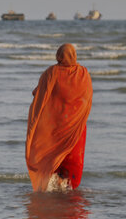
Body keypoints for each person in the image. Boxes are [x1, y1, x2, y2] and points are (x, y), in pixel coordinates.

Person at [25, 43, 92, 191]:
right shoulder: (83, 73)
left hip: (55, 126)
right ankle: (67, 187)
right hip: (76, 126)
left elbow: (38, 94)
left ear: (59, 56)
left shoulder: (52, 73)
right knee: (71, 159)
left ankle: (53, 186)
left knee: (53, 156)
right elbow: (87, 98)